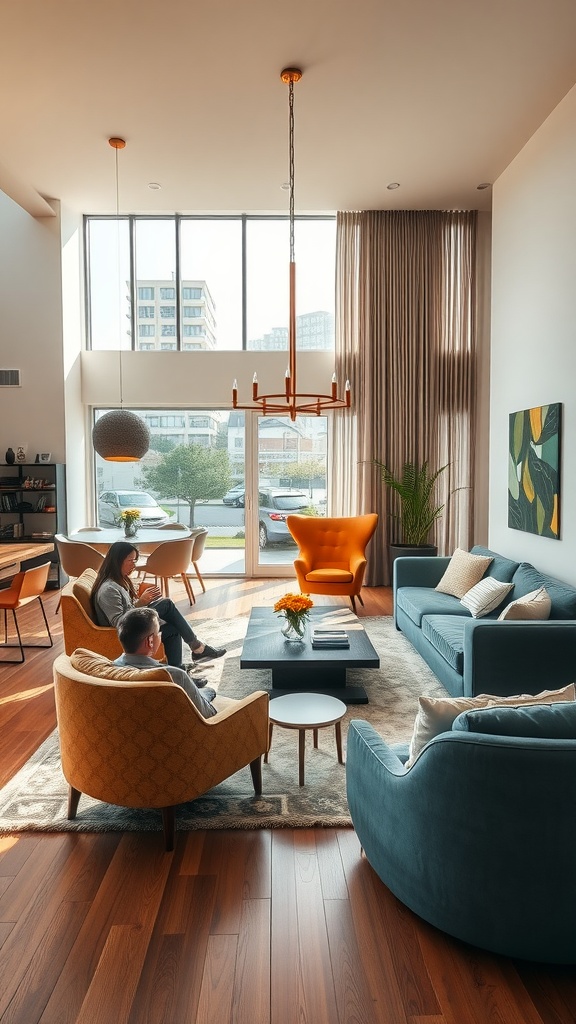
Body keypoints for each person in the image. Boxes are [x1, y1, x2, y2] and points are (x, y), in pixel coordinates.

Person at [91, 540, 226, 674]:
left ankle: (177, 672)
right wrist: (141, 603)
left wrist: (141, 600)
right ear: (117, 561)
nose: (134, 565)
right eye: (131, 561)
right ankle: (198, 648)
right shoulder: (108, 589)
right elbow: (119, 623)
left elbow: (127, 609)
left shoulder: (119, 581)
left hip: (134, 628)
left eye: (135, 561)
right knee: (166, 605)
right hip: (127, 635)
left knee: (173, 628)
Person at [114, 607, 217, 718]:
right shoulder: (173, 674)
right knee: (209, 692)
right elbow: (208, 713)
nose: (160, 634)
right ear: (150, 641)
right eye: (159, 631)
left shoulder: (112, 668)